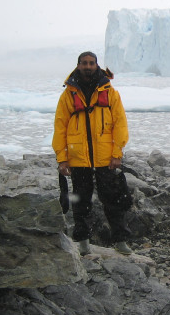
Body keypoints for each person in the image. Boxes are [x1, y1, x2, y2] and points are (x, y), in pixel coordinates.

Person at [52, 51, 133, 255]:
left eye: (91, 63)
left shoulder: (110, 93)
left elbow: (120, 124)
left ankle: (121, 241)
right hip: (79, 159)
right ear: (78, 65)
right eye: (84, 63)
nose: (88, 66)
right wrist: (62, 159)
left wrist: (117, 153)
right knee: (80, 203)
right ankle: (83, 242)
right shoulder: (68, 95)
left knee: (113, 200)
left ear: (97, 65)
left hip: (106, 158)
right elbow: (60, 127)